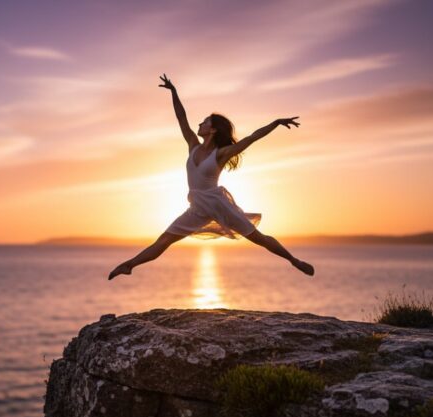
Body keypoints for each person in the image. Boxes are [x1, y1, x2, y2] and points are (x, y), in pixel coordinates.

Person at [108, 74, 315, 280]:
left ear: (213, 129)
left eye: (205, 121)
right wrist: (174, 92)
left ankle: (294, 261)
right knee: (163, 240)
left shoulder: (221, 153)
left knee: (258, 238)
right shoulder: (192, 146)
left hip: (218, 204)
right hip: (197, 207)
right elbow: (181, 117)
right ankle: (129, 265)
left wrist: (276, 122)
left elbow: (252, 137)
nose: (200, 123)